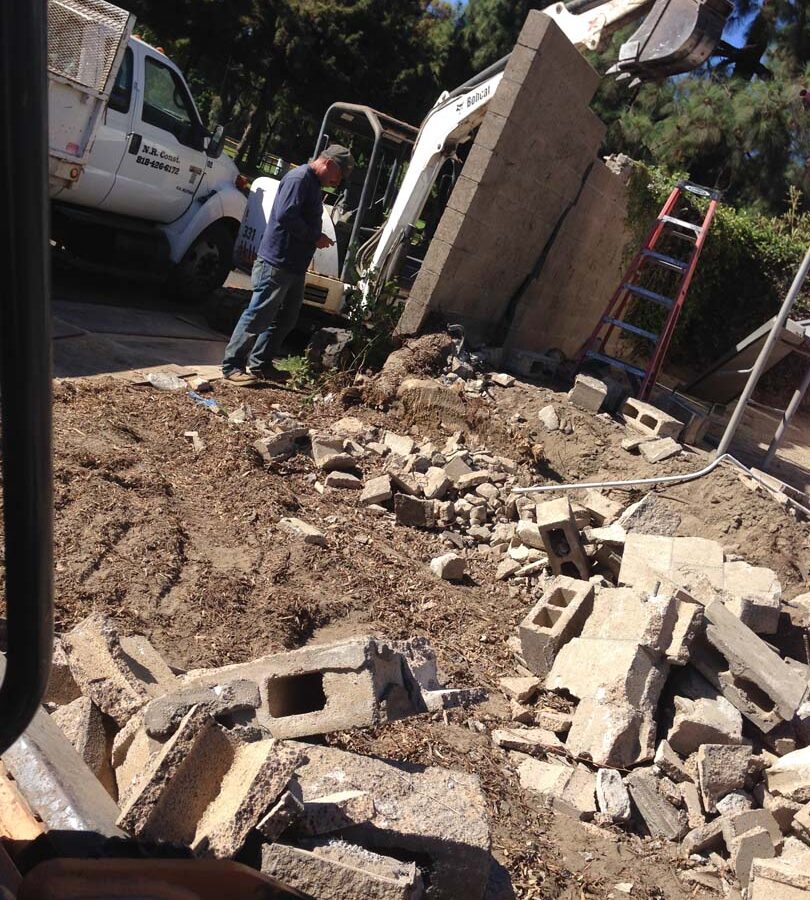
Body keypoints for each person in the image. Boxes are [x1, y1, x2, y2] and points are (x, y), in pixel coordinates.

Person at [222, 144, 355, 383]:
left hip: (293, 265)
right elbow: (286, 215)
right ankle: (232, 366)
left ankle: (260, 363)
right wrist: (314, 236)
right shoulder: (299, 179)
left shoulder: (312, 183)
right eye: (339, 175)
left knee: (286, 318)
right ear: (329, 164)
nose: (339, 181)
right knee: (258, 314)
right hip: (277, 261)